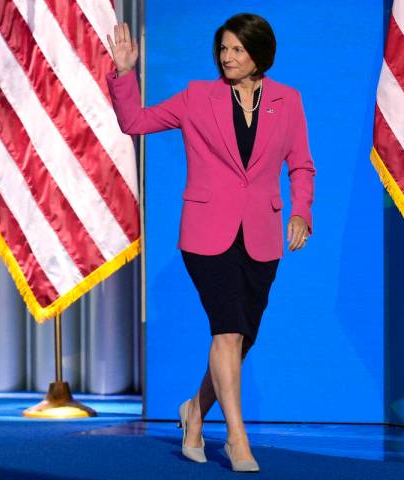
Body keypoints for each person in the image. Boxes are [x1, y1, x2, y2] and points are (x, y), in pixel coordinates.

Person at [106, 13, 315, 472]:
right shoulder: (197, 97)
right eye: (223, 49)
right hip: (205, 235)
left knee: (243, 338)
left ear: (260, 53)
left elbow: (301, 165)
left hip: (262, 235)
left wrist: (301, 210)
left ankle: (194, 412)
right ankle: (237, 439)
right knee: (226, 329)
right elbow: (134, 122)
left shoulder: (289, 100)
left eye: (238, 49)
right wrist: (124, 74)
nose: (228, 57)